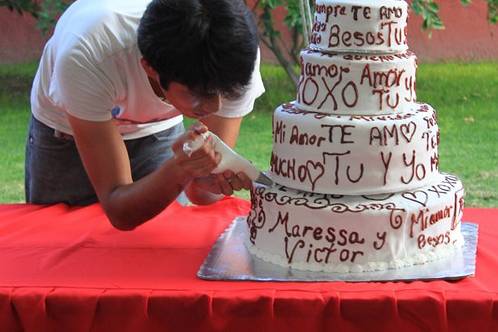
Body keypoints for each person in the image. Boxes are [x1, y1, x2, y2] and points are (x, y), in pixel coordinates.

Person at [25, 0, 265, 230]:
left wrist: (204, 176)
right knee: (62, 237)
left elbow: (201, 193)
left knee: (157, 240)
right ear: (149, 67)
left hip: (158, 127)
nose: (215, 106)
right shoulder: (89, 50)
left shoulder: (235, 57)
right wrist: (180, 169)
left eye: (226, 92)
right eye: (200, 93)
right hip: (68, 131)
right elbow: (119, 210)